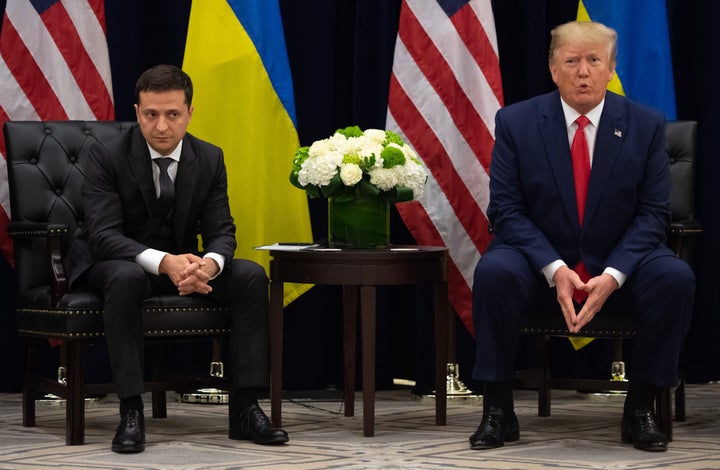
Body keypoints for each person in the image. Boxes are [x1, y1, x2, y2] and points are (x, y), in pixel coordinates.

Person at [469, 21, 694, 452]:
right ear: (553, 69)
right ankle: (498, 409)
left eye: (594, 61)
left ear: (611, 69)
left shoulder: (645, 125)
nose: (583, 71)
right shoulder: (516, 122)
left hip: (619, 262)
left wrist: (613, 274)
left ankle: (640, 407)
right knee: (494, 271)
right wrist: (554, 269)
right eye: (571, 61)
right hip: (539, 265)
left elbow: (653, 215)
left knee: (675, 277)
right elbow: (506, 211)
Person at [65, 64, 288, 453]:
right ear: (137, 113)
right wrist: (165, 262)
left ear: (189, 113)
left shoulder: (210, 157)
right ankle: (131, 412)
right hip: (117, 262)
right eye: (151, 114)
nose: (162, 126)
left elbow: (222, 230)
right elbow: (103, 236)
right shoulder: (106, 155)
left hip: (182, 266)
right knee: (125, 278)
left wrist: (210, 264)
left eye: (173, 114)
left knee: (251, 276)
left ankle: (247, 409)